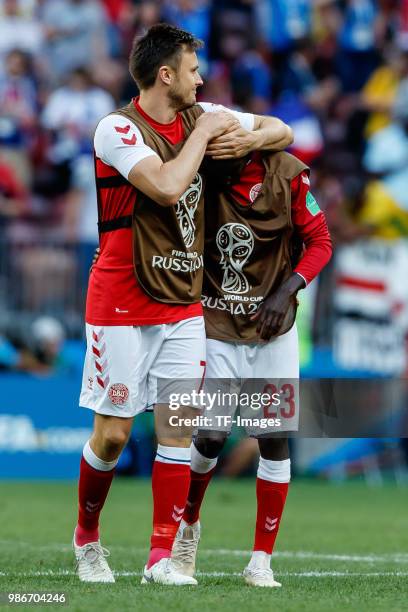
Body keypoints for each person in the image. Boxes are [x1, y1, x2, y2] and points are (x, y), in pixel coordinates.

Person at [74, 23, 293, 586]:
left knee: (178, 428)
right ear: (165, 75)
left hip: (182, 302)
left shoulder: (204, 114)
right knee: (115, 434)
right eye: (193, 70)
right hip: (121, 300)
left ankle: (160, 559)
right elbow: (169, 185)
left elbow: (283, 130)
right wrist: (206, 133)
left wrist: (248, 139)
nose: (202, 79)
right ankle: (87, 539)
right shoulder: (116, 129)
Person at [171, 150, 332, 587]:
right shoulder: (198, 171)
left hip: (273, 330)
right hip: (215, 324)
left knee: (275, 440)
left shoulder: (288, 175)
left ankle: (261, 560)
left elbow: (321, 242)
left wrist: (288, 290)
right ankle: (188, 526)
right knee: (210, 435)